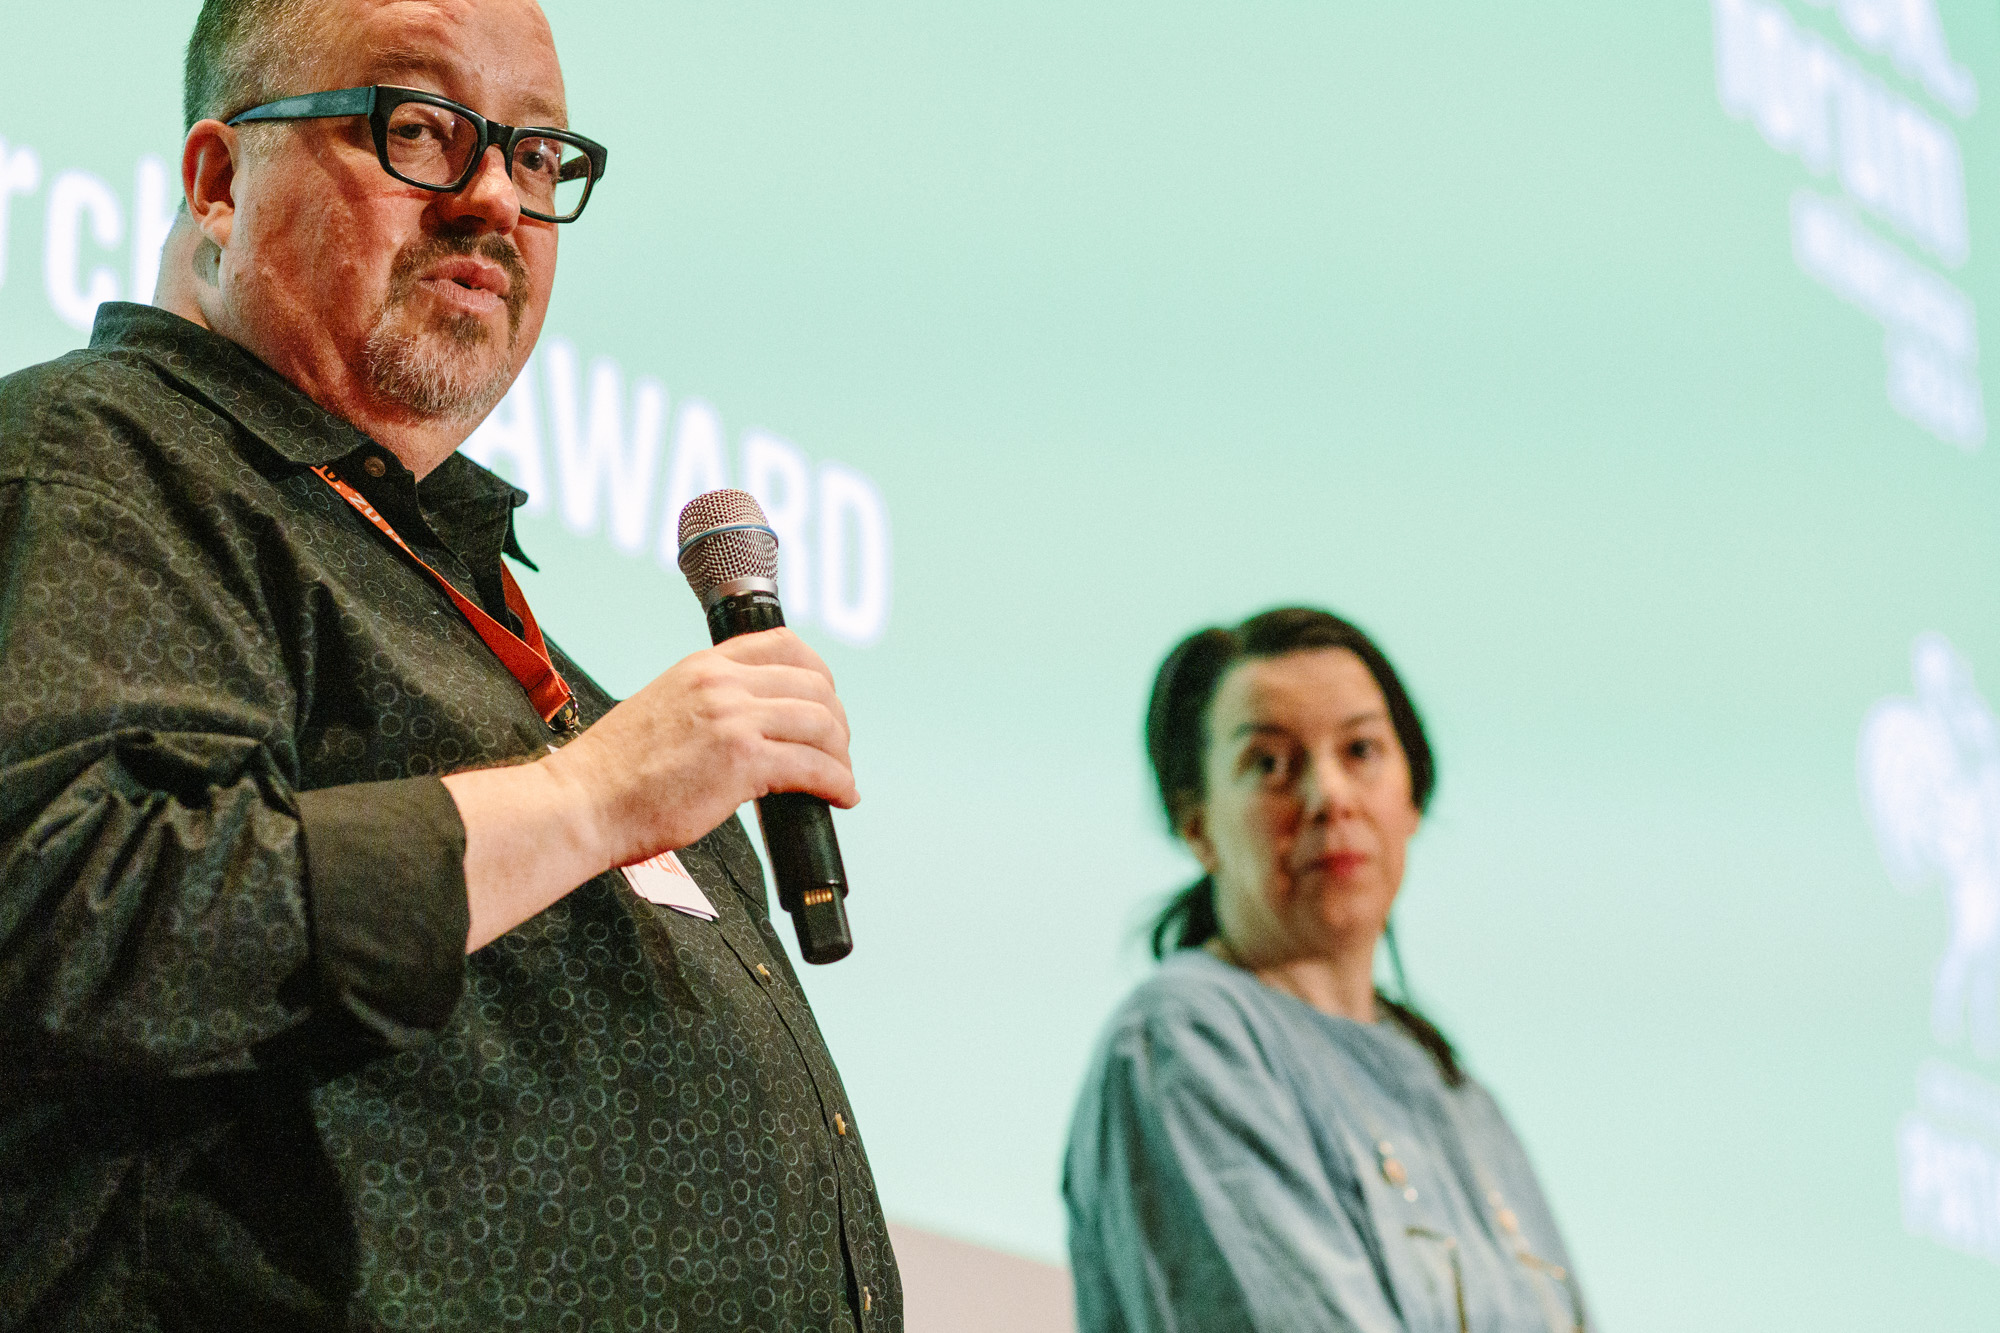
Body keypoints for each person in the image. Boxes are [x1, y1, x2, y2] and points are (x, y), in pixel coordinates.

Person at [0, 2, 901, 1329]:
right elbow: (77, 912)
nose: (493, 198)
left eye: (535, 156)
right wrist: (593, 796)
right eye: (420, 128)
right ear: (219, 179)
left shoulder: (496, 622)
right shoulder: (106, 455)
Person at [1063, 607, 1587, 1332]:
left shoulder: (1460, 1096)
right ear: (1197, 823)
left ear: (1412, 798)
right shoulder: (1184, 1040)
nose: (1330, 797)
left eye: (1362, 750)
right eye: (1270, 764)